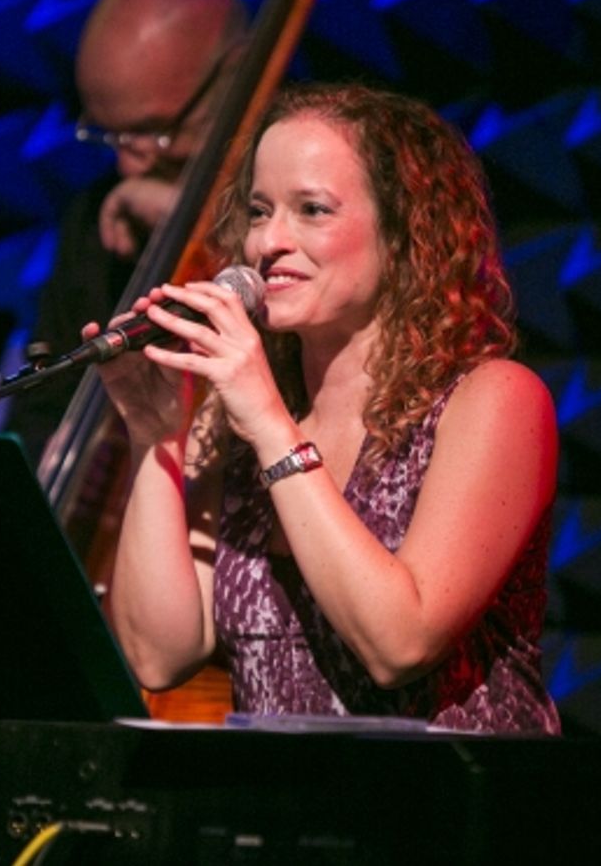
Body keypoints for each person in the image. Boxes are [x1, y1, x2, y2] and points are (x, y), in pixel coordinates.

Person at [92, 83, 562, 734]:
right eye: (259, 211)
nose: (269, 243)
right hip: (280, 815)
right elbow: (157, 652)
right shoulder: (240, 416)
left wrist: (267, 423)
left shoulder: (494, 399)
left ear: (405, 235)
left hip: (451, 813)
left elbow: (399, 643)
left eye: (312, 209)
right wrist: (154, 435)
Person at [4, 0, 249, 458]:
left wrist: (198, 222)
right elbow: (41, 403)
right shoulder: (94, 214)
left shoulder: (310, 200)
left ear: (235, 75)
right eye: (107, 133)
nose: (128, 165)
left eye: (152, 132)